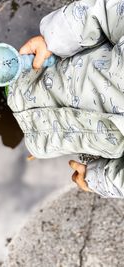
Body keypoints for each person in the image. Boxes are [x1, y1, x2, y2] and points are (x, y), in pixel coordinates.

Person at [7, 0, 124, 198]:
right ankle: (8, 87)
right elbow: (104, 10)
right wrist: (52, 40)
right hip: (46, 70)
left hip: (57, 134)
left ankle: (22, 126)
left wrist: (98, 178)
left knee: (27, 133)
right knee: (15, 80)